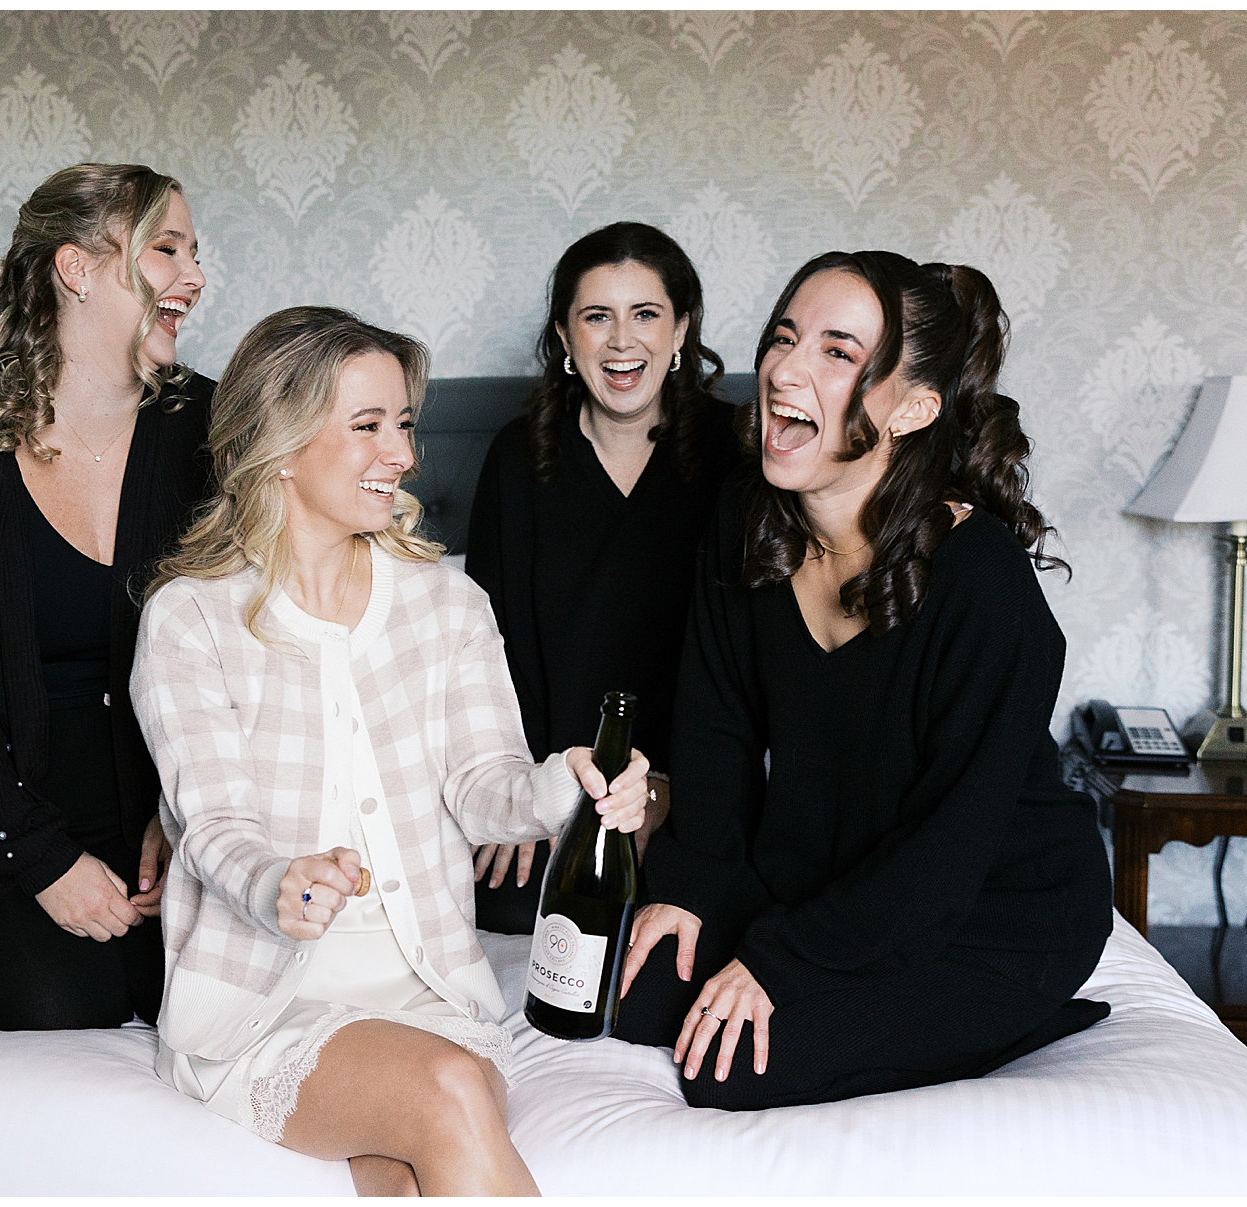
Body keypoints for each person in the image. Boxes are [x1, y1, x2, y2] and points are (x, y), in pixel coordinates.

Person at [130, 306, 648, 1195]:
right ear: (280, 444)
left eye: (403, 423)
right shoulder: (190, 617)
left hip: (430, 985)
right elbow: (210, 821)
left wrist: (569, 784)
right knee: (446, 1093)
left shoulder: (447, 603)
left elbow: (484, 788)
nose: (403, 454)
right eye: (367, 426)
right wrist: (275, 881)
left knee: (410, 1167)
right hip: (267, 997)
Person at [614, 251, 1114, 1111]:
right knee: (628, 998)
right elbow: (717, 731)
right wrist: (688, 891)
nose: (784, 370)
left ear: (915, 408)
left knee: (728, 1066)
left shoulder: (983, 582)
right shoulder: (744, 517)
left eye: (838, 353)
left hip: (989, 910)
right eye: (784, 337)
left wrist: (776, 962)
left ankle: (1023, 1016)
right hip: (833, 875)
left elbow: (948, 851)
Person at [0, 163, 213, 1031]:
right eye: (167, 250)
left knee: (213, 1004)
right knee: (65, 1003)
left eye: (195, 253)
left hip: (175, 827)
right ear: (78, 268)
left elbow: (257, 645)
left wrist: (195, 820)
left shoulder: (210, 429)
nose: (196, 278)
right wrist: (46, 861)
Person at [465, 222, 743, 932]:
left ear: (681, 329)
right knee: (510, 905)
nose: (622, 341)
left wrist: (673, 792)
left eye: (646, 314)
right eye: (597, 317)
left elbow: (755, 660)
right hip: (559, 785)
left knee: (702, 913)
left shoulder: (738, 454)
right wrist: (523, 795)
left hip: (695, 790)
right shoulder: (517, 460)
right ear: (564, 336)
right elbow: (487, 649)